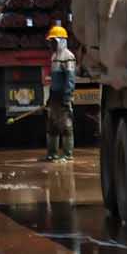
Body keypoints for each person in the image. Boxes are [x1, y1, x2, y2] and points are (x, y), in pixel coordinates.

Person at [44, 23, 78, 160]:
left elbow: (70, 79)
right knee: (52, 125)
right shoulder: (54, 56)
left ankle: (67, 155)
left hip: (64, 96)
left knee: (66, 126)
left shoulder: (68, 56)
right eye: (50, 41)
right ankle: (52, 154)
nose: (51, 44)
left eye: (53, 41)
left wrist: (67, 97)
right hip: (55, 96)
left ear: (61, 41)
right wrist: (50, 97)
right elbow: (54, 80)